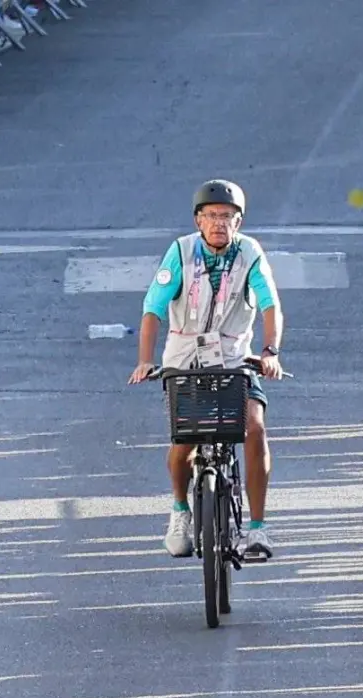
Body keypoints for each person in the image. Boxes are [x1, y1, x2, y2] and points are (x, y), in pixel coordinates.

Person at [127, 180, 284, 561]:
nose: (219, 223)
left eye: (227, 217)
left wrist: (270, 351)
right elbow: (153, 309)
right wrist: (146, 359)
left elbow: (270, 305)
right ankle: (180, 511)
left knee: (255, 427)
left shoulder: (250, 253)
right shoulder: (180, 252)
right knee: (185, 441)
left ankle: (258, 529)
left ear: (239, 222)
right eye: (211, 216)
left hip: (234, 360)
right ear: (198, 220)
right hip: (186, 363)